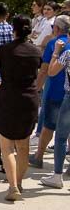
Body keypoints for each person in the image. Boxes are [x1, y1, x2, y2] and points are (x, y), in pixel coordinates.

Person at [0, 16, 43, 202]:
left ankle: (12, 187)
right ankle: (19, 183)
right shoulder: (35, 51)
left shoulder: (4, 50)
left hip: (9, 100)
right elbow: (35, 74)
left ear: (13, 29)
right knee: (23, 146)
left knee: (7, 148)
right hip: (29, 100)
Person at [30, 15, 69, 170]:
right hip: (67, 92)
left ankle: (38, 156)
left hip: (54, 90)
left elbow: (44, 70)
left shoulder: (54, 44)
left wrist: (36, 88)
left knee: (49, 125)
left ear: (56, 28)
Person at [41, 34, 70, 189]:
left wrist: (56, 51)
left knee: (60, 137)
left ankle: (57, 175)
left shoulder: (67, 53)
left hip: (69, 98)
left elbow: (51, 72)